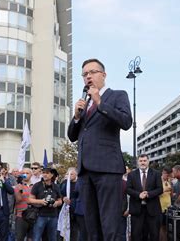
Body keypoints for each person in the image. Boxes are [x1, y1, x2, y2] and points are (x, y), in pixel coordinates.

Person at [67, 58, 132, 241]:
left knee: (110, 225)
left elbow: (126, 122)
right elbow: (72, 136)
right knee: (91, 227)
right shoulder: (84, 103)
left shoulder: (118, 95)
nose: (88, 76)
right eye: (84, 74)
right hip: (85, 171)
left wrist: (100, 102)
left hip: (107, 169)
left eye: (92, 72)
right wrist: (77, 117)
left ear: (103, 75)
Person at [126, 154, 163, 241]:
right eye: (141, 161)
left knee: (154, 234)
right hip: (137, 209)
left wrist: (148, 194)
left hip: (153, 209)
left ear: (148, 161)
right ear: (138, 162)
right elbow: (128, 189)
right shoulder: (131, 174)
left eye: (144, 161)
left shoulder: (156, 174)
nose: (143, 163)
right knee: (136, 234)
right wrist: (138, 195)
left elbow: (160, 189)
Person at [29, 168, 62, 241]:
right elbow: (30, 200)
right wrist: (40, 201)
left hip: (53, 216)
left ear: (52, 175)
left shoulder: (56, 186)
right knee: (36, 238)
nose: (44, 174)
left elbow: (60, 200)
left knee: (52, 238)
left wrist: (56, 203)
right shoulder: (37, 185)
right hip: (40, 215)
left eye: (47, 173)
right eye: (43, 172)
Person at [14, 168, 33, 241]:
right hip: (21, 215)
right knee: (19, 238)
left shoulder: (35, 186)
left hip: (33, 215)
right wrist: (20, 190)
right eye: (23, 173)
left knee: (31, 238)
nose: (25, 174)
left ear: (31, 175)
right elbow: (18, 200)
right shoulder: (18, 186)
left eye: (27, 173)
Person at [60, 167, 79, 241]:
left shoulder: (79, 183)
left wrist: (72, 201)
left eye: (71, 174)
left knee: (75, 231)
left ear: (76, 174)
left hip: (75, 210)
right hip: (66, 210)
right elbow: (60, 193)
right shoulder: (64, 183)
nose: (69, 176)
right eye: (68, 174)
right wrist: (63, 198)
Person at [159, 166, 172, 241]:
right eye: (167, 175)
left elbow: (170, 193)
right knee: (160, 226)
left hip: (168, 207)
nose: (167, 176)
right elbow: (156, 193)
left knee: (166, 226)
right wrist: (164, 189)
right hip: (160, 207)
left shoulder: (168, 181)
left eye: (169, 175)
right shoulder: (158, 181)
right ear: (163, 173)